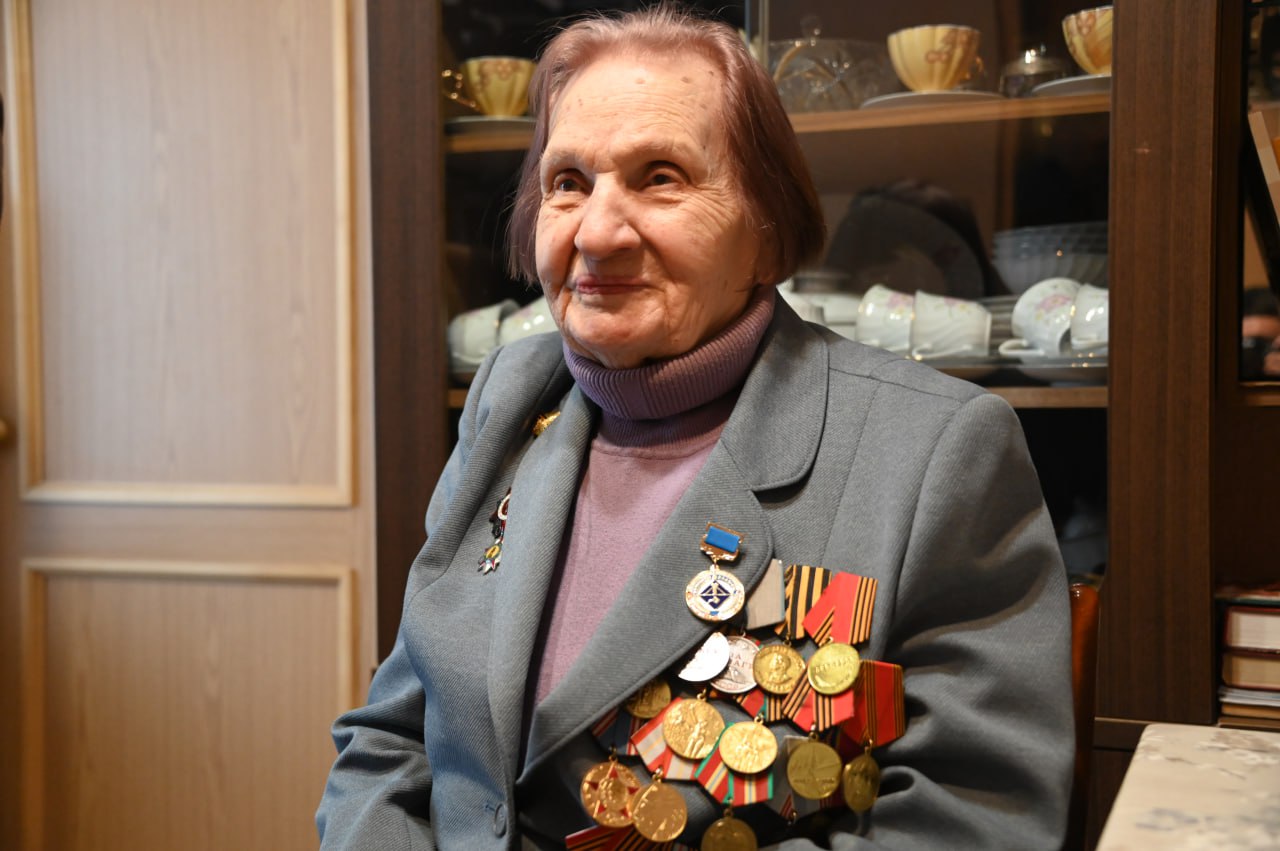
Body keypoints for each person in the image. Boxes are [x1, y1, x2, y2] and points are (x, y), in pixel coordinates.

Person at [316, 5, 1072, 848]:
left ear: (766, 231)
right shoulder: (509, 398)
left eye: (660, 177)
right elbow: (390, 739)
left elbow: (969, 820)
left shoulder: (939, 449)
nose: (597, 231)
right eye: (568, 182)